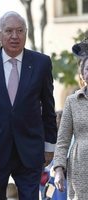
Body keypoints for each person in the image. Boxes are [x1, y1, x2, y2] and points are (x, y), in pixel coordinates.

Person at [0, 11, 57, 200]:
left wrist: (50, 147)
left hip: (30, 149)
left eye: (20, 30)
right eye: (9, 31)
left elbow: (48, 108)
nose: (15, 36)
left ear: (26, 33)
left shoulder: (41, 63)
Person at [53, 44, 88, 199]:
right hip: (80, 168)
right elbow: (63, 139)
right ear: (82, 74)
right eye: (87, 69)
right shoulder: (72, 101)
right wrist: (59, 169)